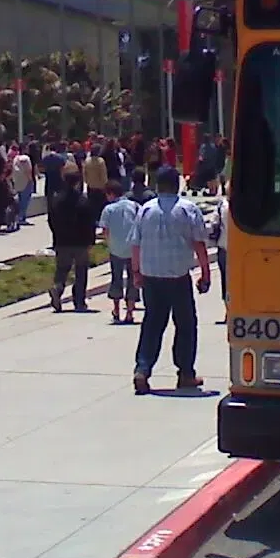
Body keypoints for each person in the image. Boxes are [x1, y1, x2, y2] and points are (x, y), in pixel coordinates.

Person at [131, 165, 211, 394]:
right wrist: (205, 272)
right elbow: (199, 243)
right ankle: (185, 372)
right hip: (178, 277)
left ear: (157, 185)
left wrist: (136, 273)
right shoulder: (188, 209)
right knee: (185, 324)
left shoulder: (146, 210)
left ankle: (143, 369)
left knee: (152, 324)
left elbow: (136, 244)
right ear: (177, 185)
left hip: (151, 277)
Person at [47, 161, 100, 313]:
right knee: (81, 271)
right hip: (81, 242)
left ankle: (57, 289)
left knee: (62, 268)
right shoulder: (83, 201)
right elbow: (90, 222)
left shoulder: (57, 200)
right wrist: (91, 239)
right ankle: (79, 300)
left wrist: (56, 233)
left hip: (62, 240)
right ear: (77, 182)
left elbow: (51, 219)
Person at [98, 179, 140, 324]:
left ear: (110, 194)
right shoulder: (134, 206)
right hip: (133, 249)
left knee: (116, 278)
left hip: (115, 249)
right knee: (133, 279)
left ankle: (116, 309)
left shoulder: (108, 209)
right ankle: (130, 311)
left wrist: (109, 242)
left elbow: (105, 230)